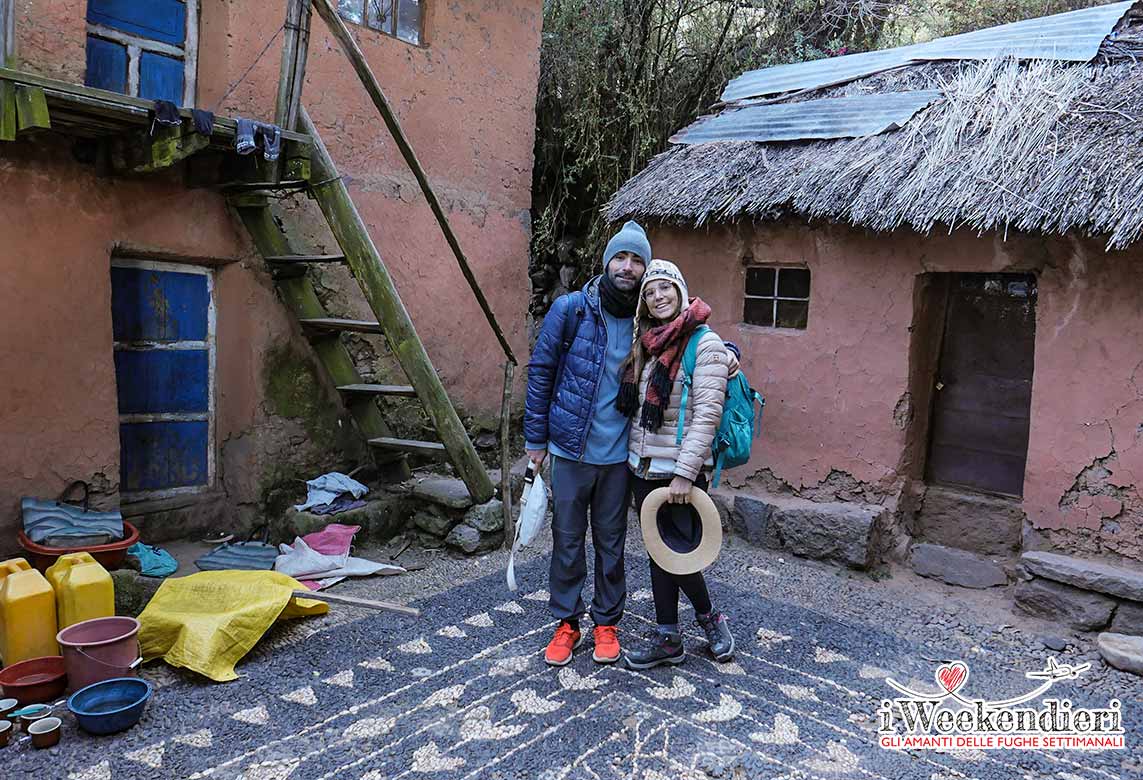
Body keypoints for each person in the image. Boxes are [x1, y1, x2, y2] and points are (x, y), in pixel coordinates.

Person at [524, 221, 651, 666]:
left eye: (637, 261)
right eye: (621, 257)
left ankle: (606, 623)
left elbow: (695, 333)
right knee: (567, 539)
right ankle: (566, 622)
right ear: (607, 261)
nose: (628, 267)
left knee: (612, 543)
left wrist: (728, 353)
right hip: (571, 450)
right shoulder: (572, 309)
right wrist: (535, 438)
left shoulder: (649, 318)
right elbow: (541, 371)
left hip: (619, 457)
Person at [618, 259, 736, 668]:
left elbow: (707, 414)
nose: (658, 296)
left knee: (679, 553)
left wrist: (686, 474)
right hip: (642, 467)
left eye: (665, 288)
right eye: (650, 292)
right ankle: (669, 637)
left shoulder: (704, 344)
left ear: (681, 292)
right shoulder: (648, 345)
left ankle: (710, 619)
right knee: (659, 554)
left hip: (676, 471)